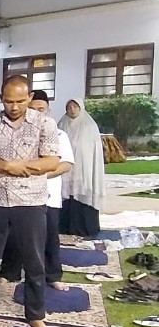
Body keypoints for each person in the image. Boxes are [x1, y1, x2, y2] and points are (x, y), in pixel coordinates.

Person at [0, 75, 60, 327]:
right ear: (1, 98)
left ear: (30, 98)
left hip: (30, 201)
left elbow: (51, 161)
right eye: (9, 101)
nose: (15, 106)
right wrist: (7, 166)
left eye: (20, 101)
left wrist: (19, 166)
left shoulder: (44, 123)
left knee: (34, 261)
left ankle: (36, 315)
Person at [0, 90, 74, 291]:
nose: (36, 113)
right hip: (18, 193)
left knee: (49, 236)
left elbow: (66, 164)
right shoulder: (15, 131)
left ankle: (53, 275)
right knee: (14, 235)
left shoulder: (59, 134)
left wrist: (38, 175)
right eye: (33, 109)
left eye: (41, 109)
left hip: (48, 194)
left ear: (48, 109)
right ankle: (9, 272)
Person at [58, 98, 105, 237]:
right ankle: (64, 227)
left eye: (75, 106)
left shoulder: (89, 125)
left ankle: (85, 228)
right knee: (66, 198)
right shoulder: (62, 124)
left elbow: (93, 150)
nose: (72, 109)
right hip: (66, 169)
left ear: (80, 108)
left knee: (82, 197)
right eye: (69, 107)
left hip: (84, 169)